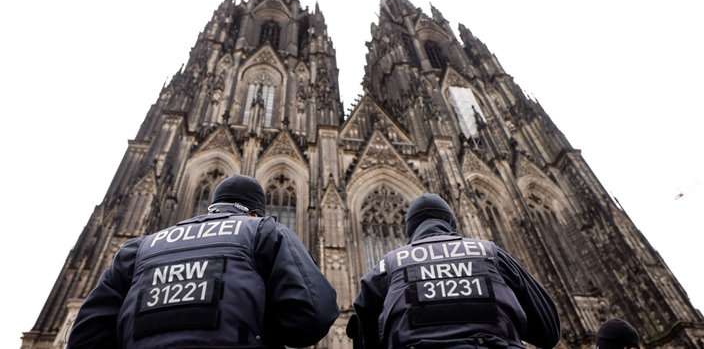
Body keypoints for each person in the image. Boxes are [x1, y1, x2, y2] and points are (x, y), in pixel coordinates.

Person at [67, 174, 339, 349]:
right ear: (255, 213)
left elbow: (85, 337)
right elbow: (314, 317)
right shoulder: (263, 231)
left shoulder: (138, 248)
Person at [348, 193, 561, 349]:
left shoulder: (389, 265)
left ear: (410, 233)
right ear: (451, 224)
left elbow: (362, 327)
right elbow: (549, 332)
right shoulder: (491, 253)